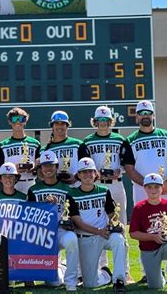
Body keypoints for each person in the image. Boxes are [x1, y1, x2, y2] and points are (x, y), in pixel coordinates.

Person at [83, 106, 133, 283]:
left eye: (106, 120)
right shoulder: (87, 141)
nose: (102, 123)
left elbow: (128, 164)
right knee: (98, 225)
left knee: (120, 226)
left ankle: (125, 271)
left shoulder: (120, 139)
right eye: (99, 120)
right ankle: (101, 268)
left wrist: (120, 172)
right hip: (96, 186)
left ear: (110, 121)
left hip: (116, 185)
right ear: (94, 122)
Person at [69, 158, 126, 292]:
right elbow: (78, 222)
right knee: (90, 284)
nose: (87, 175)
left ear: (95, 173)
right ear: (79, 175)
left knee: (118, 239)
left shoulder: (103, 191)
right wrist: (98, 231)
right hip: (86, 238)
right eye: (84, 172)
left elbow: (113, 214)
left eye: (90, 171)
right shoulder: (72, 194)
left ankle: (119, 280)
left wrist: (117, 224)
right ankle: (106, 274)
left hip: (104, 236)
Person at [27, 150, 79, 292]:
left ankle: (71, 281)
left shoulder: (67, 189)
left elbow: (73, 214)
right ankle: (59, 266)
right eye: (45, 166)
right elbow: (29, 218)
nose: (48, 169)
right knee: (54, 283)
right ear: (41, 169)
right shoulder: (33, 190)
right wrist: (44, 205)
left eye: (51, 165)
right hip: (42, 233)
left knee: (72, 239)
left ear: (56, 167)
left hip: (61, 230)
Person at [129, 173, 167, 293]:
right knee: (155, 286)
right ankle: (161, 276)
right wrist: (153, 237)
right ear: (145, 188)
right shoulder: (139, 208)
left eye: (157, 186)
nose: (153, 190)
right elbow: (133, 233)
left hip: (166, 245)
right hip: (149, 250)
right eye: (150, 187)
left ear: (162, 188)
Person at [121, 100, 167, 204]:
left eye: (148, 113)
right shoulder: (129, 141)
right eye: (141, 113)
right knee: (143, 219)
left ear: (153, 115)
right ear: (136, 117)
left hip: (165, 187)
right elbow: (129, 169)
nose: (145, 116)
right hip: (141, 189)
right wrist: (148, 184)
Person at [0, 107, 40, 194]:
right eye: (14, 119)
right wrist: (13, 169)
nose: (17, 122)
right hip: (11, 185)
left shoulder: (35, 144)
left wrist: (35, 167)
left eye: (21, 119)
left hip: (30, 183)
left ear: (25, 121)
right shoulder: (3, 145)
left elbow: (39, 166)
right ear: (9, 121)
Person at [42, 111, 89, 185]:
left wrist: (76, 177)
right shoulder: (45, 150)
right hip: (56, 189)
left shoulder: (78, 144)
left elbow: (87, 166)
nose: (59, 126)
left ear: (67, 126)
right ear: (52, 126)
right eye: (56, 123)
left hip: (76, 188)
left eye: (62, 124)